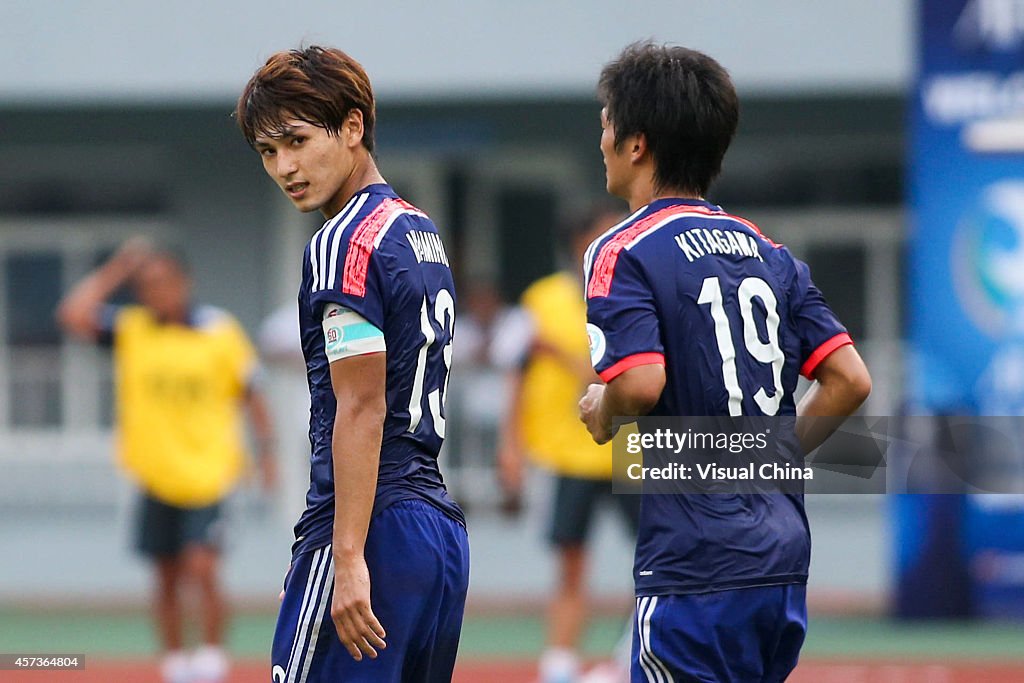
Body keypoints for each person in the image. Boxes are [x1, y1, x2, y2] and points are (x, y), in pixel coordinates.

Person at [578, 42, 872, 682]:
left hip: (694, 561)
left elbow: (640, 380)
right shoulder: (770, 253)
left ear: (637, 144)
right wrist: (772, 456)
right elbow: (849, 380)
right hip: (781, 557)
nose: (599, 138)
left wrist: (603, 409)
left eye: (605, 122)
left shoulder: (621, 249)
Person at [236, 46, 470, 682]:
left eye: (297, 140)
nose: (285, 166)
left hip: (373, 525)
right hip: (437, 532)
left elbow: (361, 404)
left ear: (353, 126)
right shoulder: (417, 230)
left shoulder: (344, 241)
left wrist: (345, 555)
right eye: (268, 151)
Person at [56, 239, 277, 683]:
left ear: (184, 282)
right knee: (165, 576)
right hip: (155, 475)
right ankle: (176, 664)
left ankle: (212, 659)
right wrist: (118, 266)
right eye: (146, 285)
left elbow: (252, 394)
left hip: (209, 474)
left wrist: (267, 455)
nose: (155, 291)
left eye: (163, 282)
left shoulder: (217, 331)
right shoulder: (132, 328)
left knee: (203, 568)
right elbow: (72, 315)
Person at [497, 204, 637, 683]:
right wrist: (509, 447)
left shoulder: (633, 297)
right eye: (602, 235)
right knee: (571, 562)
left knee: (657, 561)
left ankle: (631, 657)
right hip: (566, 454)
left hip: (633, 455)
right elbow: (514, 377)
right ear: (578, 244)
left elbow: (629, 378)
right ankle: (560, 664)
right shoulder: (541, 302)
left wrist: (563, 356)